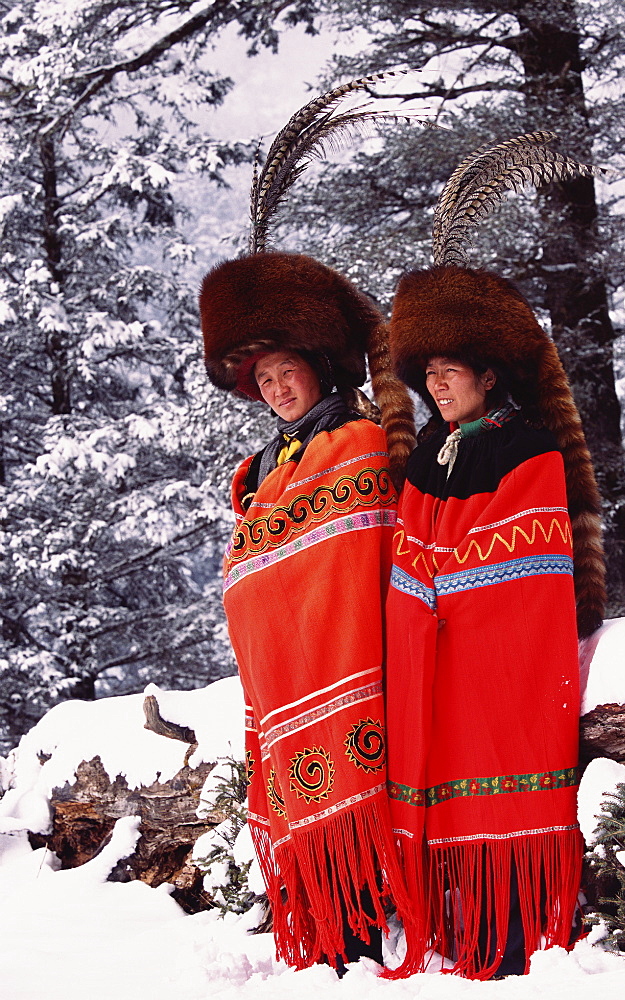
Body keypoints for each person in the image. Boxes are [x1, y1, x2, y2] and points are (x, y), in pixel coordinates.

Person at [381, 136, 606, 980]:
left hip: (493, 666)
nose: (437, 386)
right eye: (428, 373)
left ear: (487, 375)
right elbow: (411, 552)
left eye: (451, 372)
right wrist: (420, 585)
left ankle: (510, 932)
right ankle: (453, 926)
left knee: (494, 780)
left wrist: (436, 582)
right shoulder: (427, 456)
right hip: (433, 664)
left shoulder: (528, 447)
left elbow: (524, 566)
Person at [200, 248, 415, 972]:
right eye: (262, 379)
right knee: (309, 818)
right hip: (284, 685)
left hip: (350, 665)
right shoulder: (266, 468)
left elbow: (353, 555)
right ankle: (332, 936)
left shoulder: (354, 443)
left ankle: (363, 934)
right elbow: (256, 564)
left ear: (320, 367)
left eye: (285, 370)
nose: (276, 387)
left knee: (355, 813)